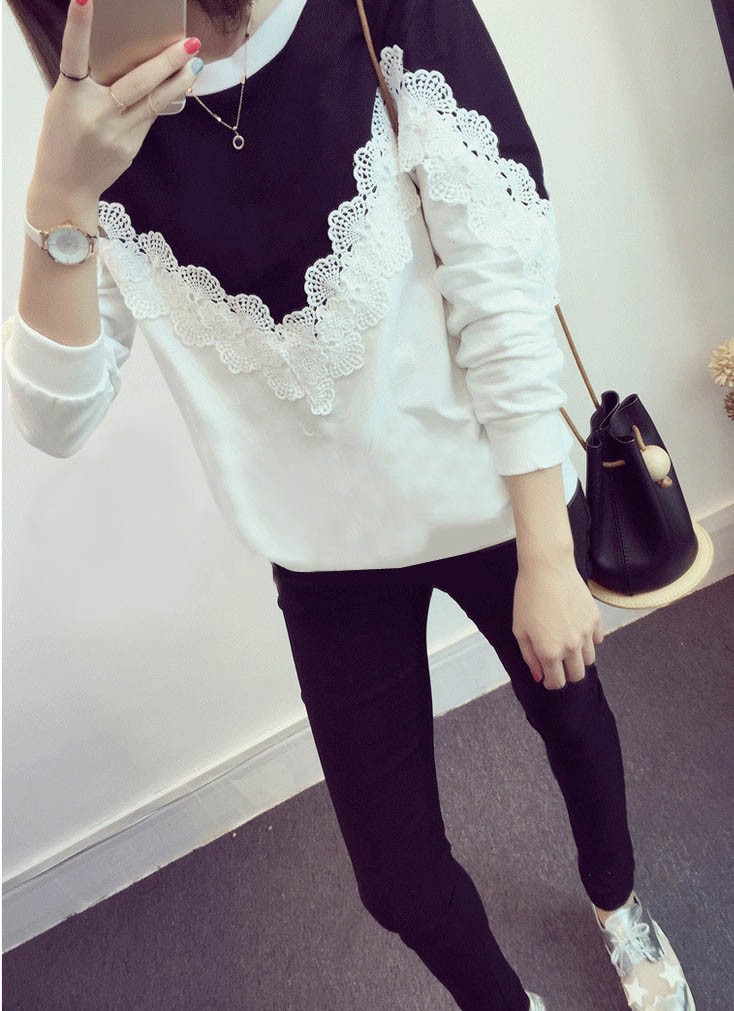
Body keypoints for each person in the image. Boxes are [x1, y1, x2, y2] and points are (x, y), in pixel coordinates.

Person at [2, 0, 696, 1008]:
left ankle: (617, 901)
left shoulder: (370, 12)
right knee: (396, 882)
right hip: (325, 560)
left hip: (491, 497)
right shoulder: (102, 138)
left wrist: (548, 554)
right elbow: (55, 417)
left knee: (575, 722)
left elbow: (497, 280)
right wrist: (57, 195)